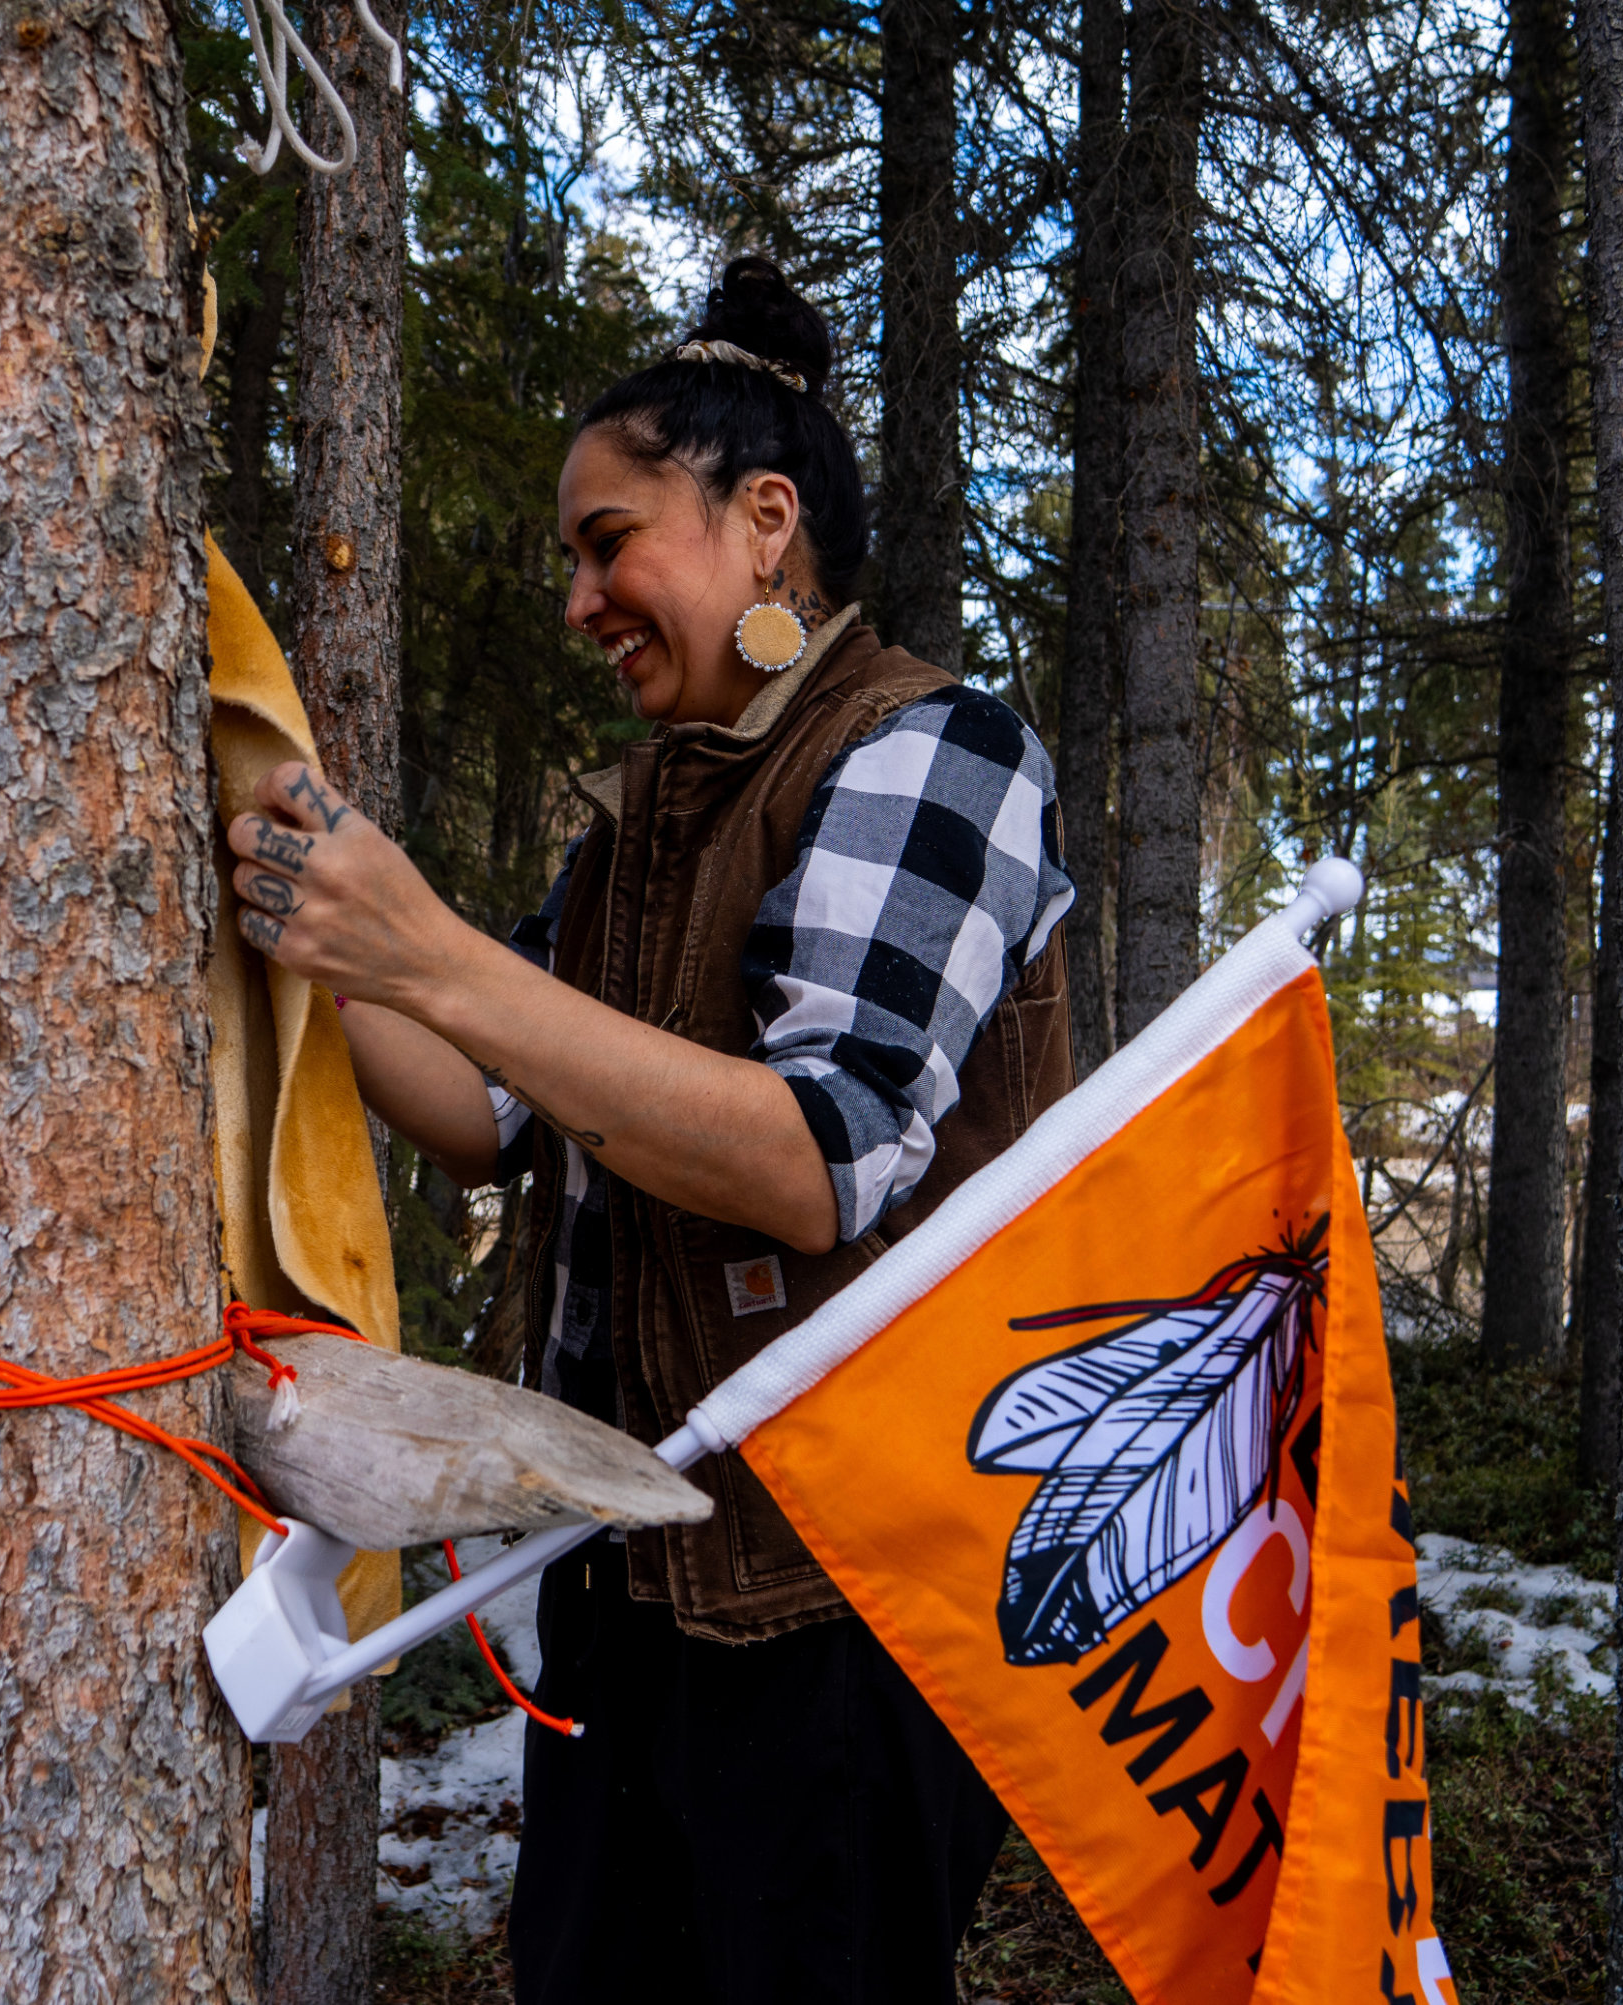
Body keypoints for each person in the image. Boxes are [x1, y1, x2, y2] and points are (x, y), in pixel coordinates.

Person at [226, 257, 1077, 2004]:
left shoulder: (936, 749)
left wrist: (435, 952)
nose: (577, 597)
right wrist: (318, 922)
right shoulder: (631, 836)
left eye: (608, 540)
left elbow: (818, 1154)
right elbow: (478, 1110)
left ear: (762, 523)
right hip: (627, 1586)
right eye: (570, 555)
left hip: (855, 1609)